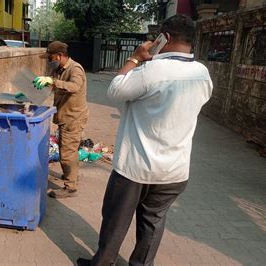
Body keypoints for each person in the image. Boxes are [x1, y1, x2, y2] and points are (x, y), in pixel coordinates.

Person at [77, 15, 213, 265]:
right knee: (153, 224)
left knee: (116, 220)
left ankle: (103, 263)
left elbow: (115, 90)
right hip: (174, 171)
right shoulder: (202, 73)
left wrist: (135, 58)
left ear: (166, 38)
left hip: (135, 169)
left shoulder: (151, 71)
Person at [33, 41, 89, 198]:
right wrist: (28, 92)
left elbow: (74, 86)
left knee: (67, 153)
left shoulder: (75, 68)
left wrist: (52, 81)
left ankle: (70, 187)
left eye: (50, 57)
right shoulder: (59, 70)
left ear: (60, 55)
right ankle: (71, 175)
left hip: (73, 117)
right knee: (68, 149)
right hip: (66, 115)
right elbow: (51, 86)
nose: (49, 61)